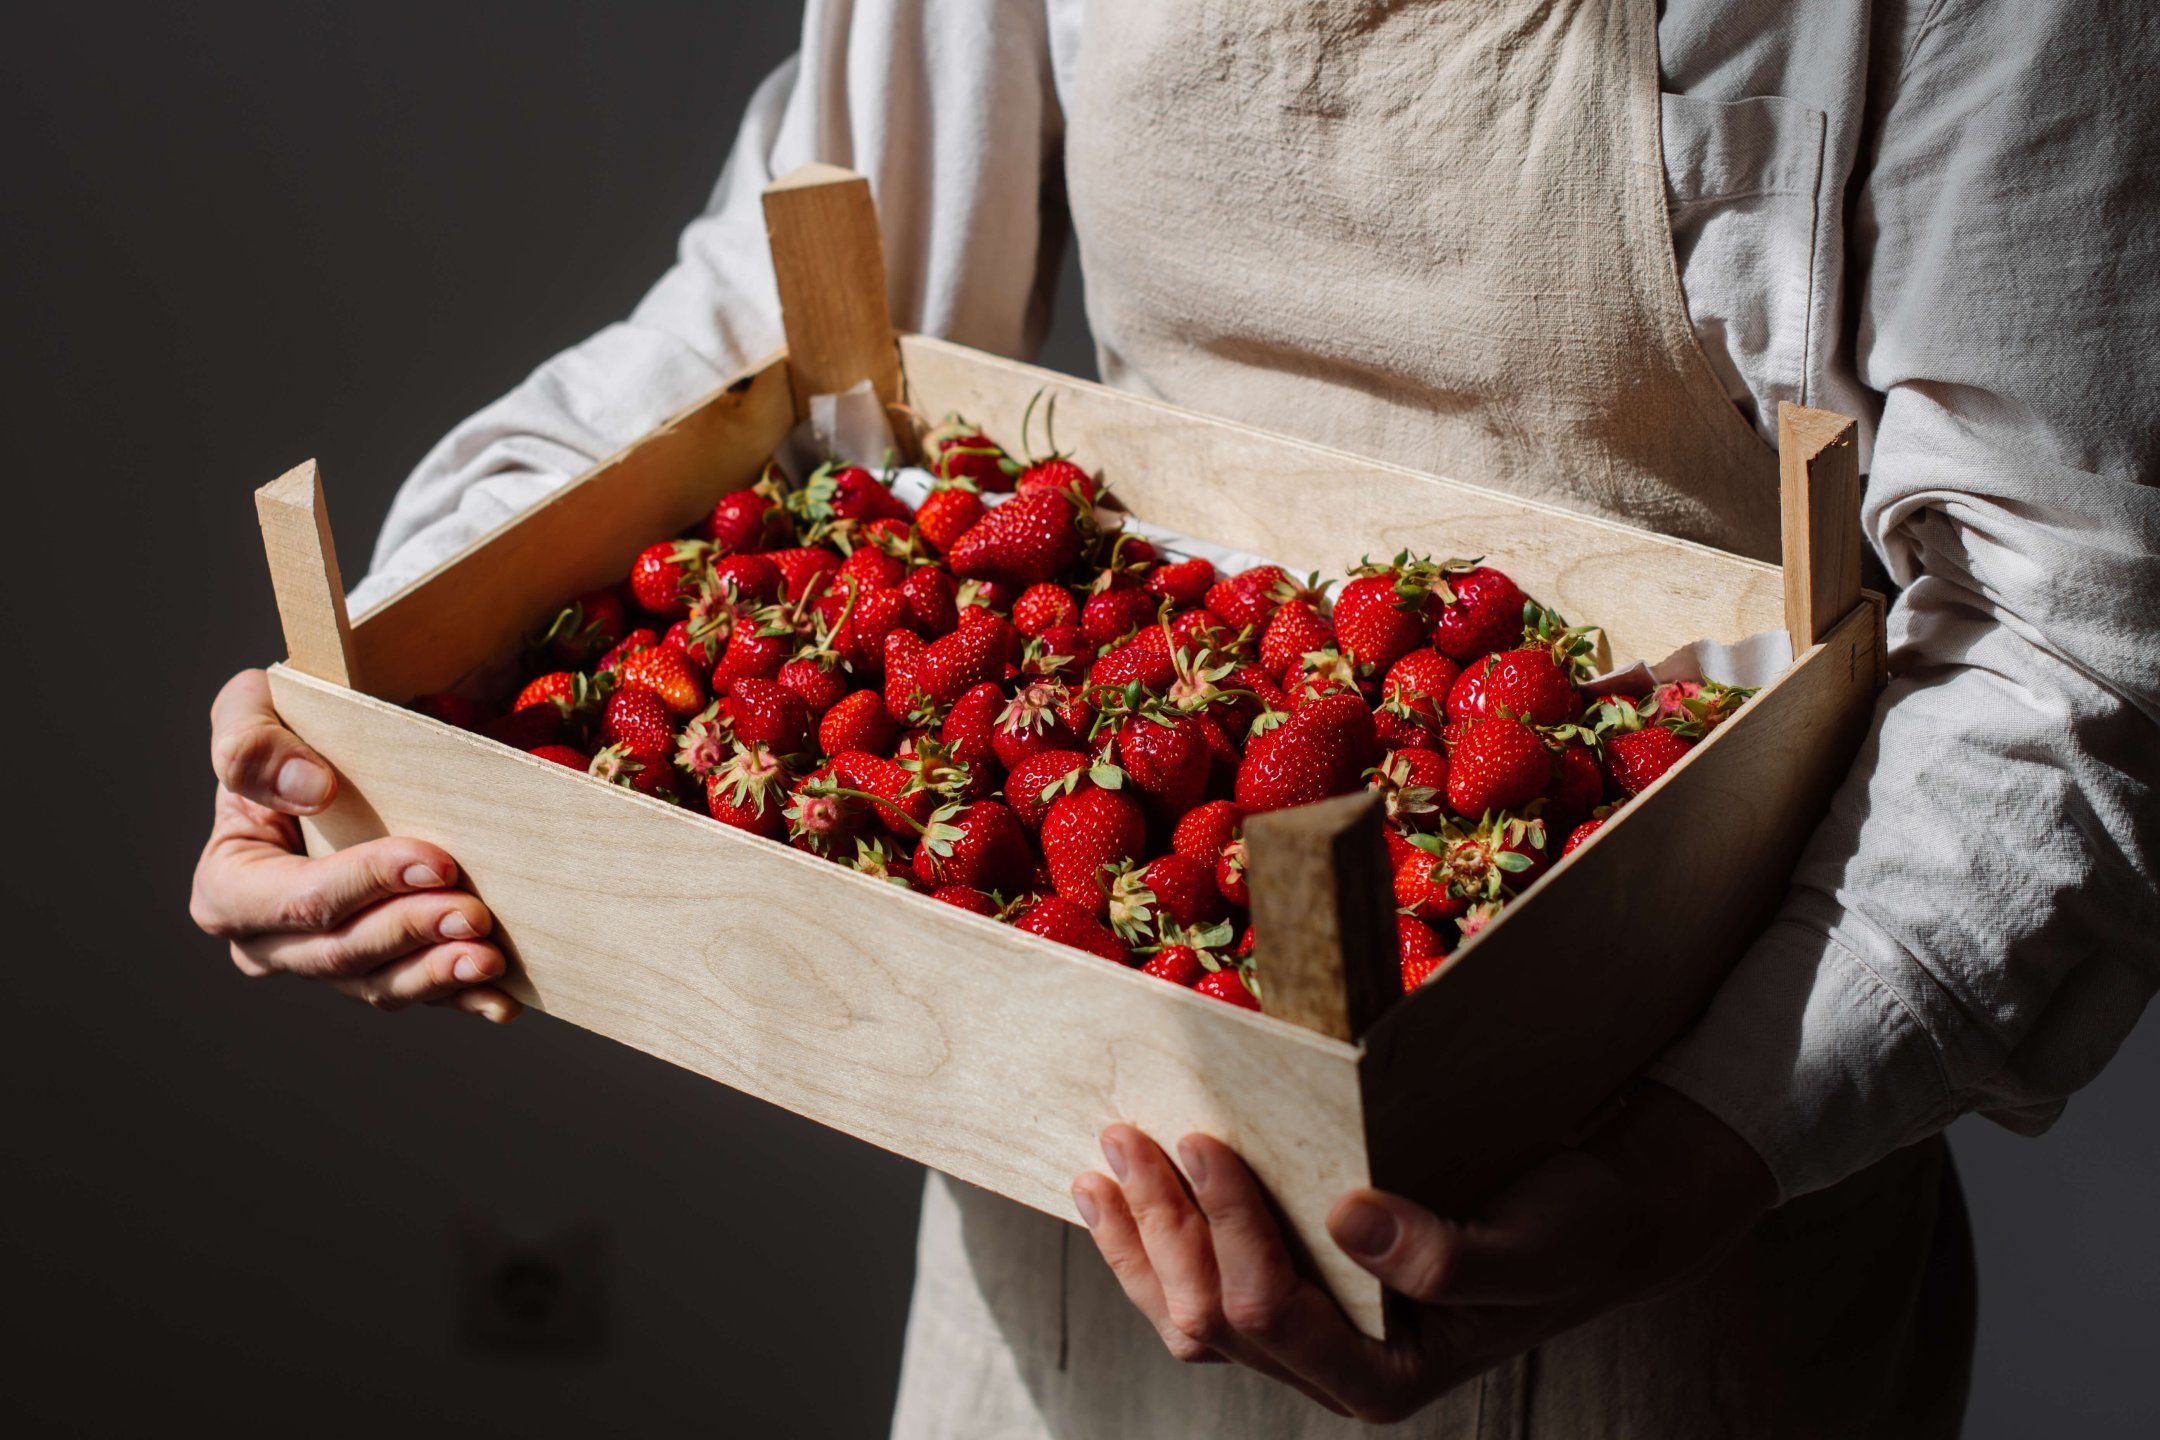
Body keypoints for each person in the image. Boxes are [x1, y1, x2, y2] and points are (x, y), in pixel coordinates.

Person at [190, 1, 2160, 1433]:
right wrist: (377, 683)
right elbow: (789, 321)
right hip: (1078, 1175)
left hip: (1678, 1200)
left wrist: (1690, 1158)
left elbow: (2077, 621)